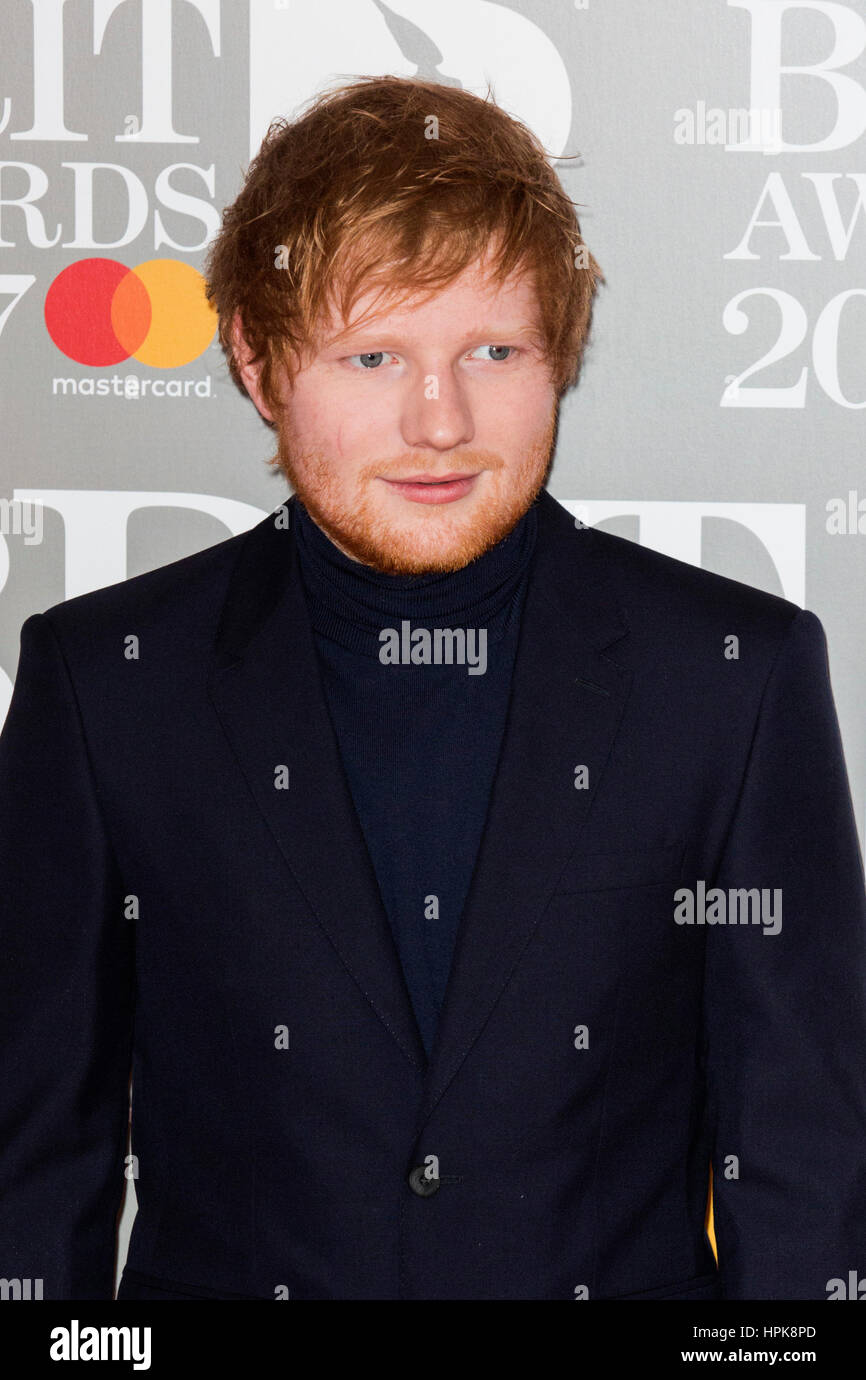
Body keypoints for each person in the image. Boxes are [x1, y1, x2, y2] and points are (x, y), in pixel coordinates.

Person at [1, 75, 864, 1302]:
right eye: (372, 355)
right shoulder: (106, 684)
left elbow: (805, 1168)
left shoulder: (732, 677)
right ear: (255, 358)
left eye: (491, 351)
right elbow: (36, 1165)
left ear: (558, 353)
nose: (438, 419)